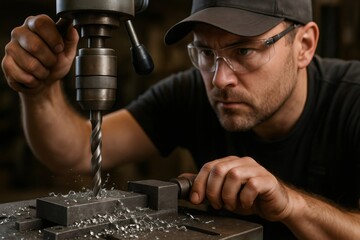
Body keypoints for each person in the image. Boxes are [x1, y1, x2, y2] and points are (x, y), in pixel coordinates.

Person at [2, 0, 360, 238]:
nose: (220, 79)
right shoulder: (189, 92)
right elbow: (75, 151)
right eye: (205, 52)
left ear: (305, 45)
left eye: (244, 50)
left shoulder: (352, 99)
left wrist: (290, 203)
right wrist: (40, 89)